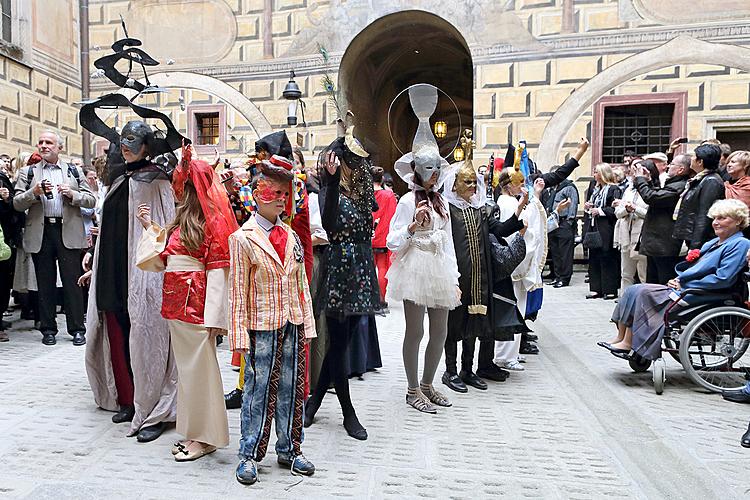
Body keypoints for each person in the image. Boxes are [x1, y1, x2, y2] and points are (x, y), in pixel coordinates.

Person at [134, 149, 234, 461]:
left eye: (181, 184)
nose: (176, 188)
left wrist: (216, 317)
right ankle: (196, 434)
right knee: (189, 375)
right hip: (178, 305)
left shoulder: (214, 223)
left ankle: (205, 438)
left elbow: (219, 272)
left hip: (196, 308)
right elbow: (162, 259)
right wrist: (151, 228)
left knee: (199, 373)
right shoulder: (182, 222)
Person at [84, 121, 178, 443]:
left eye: (133, 140)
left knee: (146, 334)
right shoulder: (117, 179)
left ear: (147, 146)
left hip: (143, 273)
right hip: (112, 267)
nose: (125, 145)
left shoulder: (158, 182)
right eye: (122, 140)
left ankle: (152, 406)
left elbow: (167, 229)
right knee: (117, 330)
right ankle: (128, 399)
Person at [230, 158, 316, 485]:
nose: (282, 199)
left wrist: (307, 324)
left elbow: (300, 285)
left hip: (291, 322)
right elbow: (238, 290)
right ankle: (249, 452)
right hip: (260, 326)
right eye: (276, 193)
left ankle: (290, 448)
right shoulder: (243, 238)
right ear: (258, 193)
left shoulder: (291, 236)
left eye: (286, 193)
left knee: (292, 389)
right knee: (257, 389)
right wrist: (239, 335)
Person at [304, 123, 382, 441]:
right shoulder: (329, 190)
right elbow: (330, 222)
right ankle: (348, 413)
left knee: (341, 344)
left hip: (361, 269)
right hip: (338, 270)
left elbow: (370, 226)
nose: (359, 168)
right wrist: (333, 181)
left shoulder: (364, 193)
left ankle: (314, 403)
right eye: (354, 162)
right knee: (338, 345)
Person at [599, 199, 750, 359]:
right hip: (689, 287)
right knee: (633, 290)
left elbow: (723, 278)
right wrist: (678, 279)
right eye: (715, 218)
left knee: (643, 293)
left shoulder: (740, 244)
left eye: (722, 218)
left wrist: (684, 283)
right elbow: (693, 269)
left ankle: (630, 342)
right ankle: (622, 337)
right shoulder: (713, 243)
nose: (716, 223)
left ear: (738, 221)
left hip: (706, 293)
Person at [386, 113, 460, 411]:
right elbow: (391, 241)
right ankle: (412, 389)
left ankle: (429, 384)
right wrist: (413, 226)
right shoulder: (406, 202)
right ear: (417, 170)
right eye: (429, 169)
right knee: (415, 332)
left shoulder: (441, 201)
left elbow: (449, 241)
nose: (434, 174)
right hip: (415, 268)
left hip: (440, 269)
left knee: (440, 331)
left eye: (437, 168)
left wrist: (454, 279)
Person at [13, 131, 95, 346]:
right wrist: (34, 192)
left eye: (48, 142)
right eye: (40, 142)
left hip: (67, 230)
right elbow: (16, 203)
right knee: (45, 283)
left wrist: (73, 195)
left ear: (60, 147)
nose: (43, 145)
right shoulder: (27, 172)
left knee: (72, 283)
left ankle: (77, 329)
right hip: (41, 233)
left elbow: (91, 200)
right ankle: (48, 329)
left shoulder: (74, 171)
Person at [633, 154, 691, 284]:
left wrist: (640, 180)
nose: (669, 166)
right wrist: (648, 181)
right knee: (652, 283)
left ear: (680, 169)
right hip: (659, 243)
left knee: (663, 283)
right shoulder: (674, 184)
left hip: (664, 244)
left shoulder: (679, 186)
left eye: (672, 164)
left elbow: (652, 198)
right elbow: (657, 194)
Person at [673, 143, 725, 251]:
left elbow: (704, 215)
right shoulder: (700, 179)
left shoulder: (711, 181)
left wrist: (695, 246)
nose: (691, 159)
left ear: (700, 161)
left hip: (702, 241)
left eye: (693, 156)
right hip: (692, 238)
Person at [583, 163, 622, 300]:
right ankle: (595, 288)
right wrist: (589, 207)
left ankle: (609, 289)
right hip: (595, 226)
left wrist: (599, 211)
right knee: (594, 257)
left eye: (596, 172)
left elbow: (615, 210)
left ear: (603, 174)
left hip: (607, 227)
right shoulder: (595, 189)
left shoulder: (613, 189)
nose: (594, 175)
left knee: (607, 257)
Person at [613, 160, 650, 294]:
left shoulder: (650, 190)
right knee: (626, 274)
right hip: (625, 236)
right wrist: (627, 210)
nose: (633, 174)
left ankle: (644, 303)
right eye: (632, 171)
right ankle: (624, 303)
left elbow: (650, 215)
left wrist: (635, 209)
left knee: (643, 274)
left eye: (636, 171)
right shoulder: (629, 189)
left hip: (641, 237)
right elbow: (618, 213)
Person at [543, 165, 579, 288]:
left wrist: (569, 222)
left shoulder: (569, 187)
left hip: (564, 223)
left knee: (565, 253)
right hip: (554, 223)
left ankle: (564, 278)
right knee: (556, 252)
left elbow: (573, 206)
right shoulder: (554, 188)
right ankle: (557, 276)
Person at [371, 166, 397, 304]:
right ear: (381, 180)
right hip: (383, 236)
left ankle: (370, 298)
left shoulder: (365, 194)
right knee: (382, 268)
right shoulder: (388, 196)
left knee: (369, 268)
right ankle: (381, 299)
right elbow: (393, 215)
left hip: (367, 236)